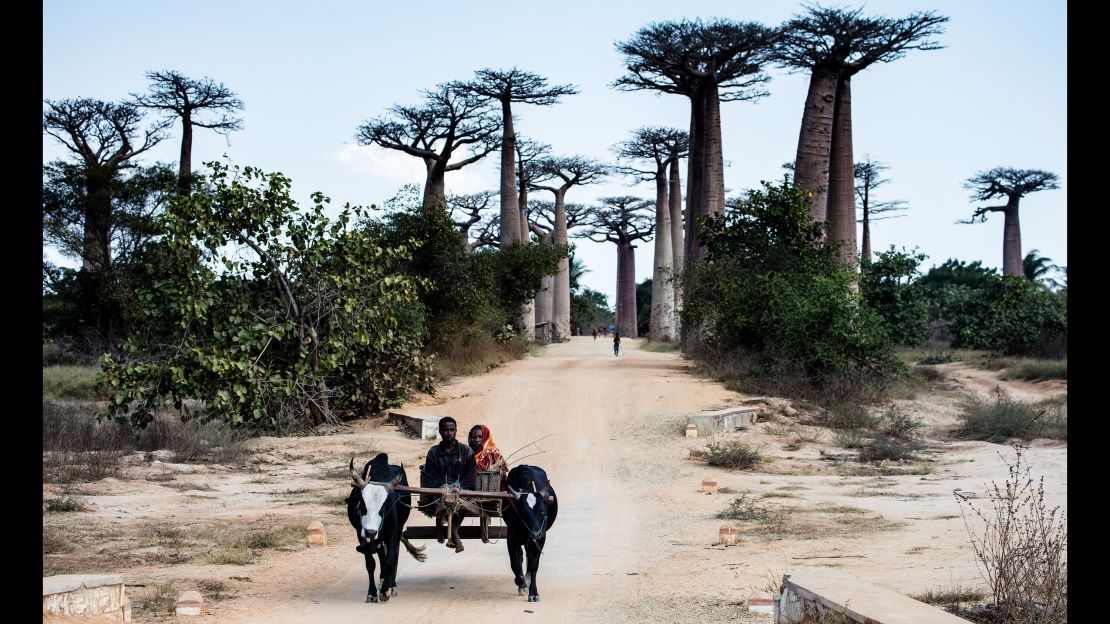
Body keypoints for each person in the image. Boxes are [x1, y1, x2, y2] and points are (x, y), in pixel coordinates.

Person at [420, 416, 477, 552]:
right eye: (446, 430)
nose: (449, 433)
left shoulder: (467, 452)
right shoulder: (433, 453)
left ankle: (453, 532)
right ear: (440, 431)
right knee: (444, 500)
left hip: (461, 492)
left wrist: (458, 487)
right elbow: (431, 478)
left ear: (456, 431)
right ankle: (454, 536)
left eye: (452, 430)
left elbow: (470, 479)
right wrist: (444, 488)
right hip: (440, 492)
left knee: (461, 502)